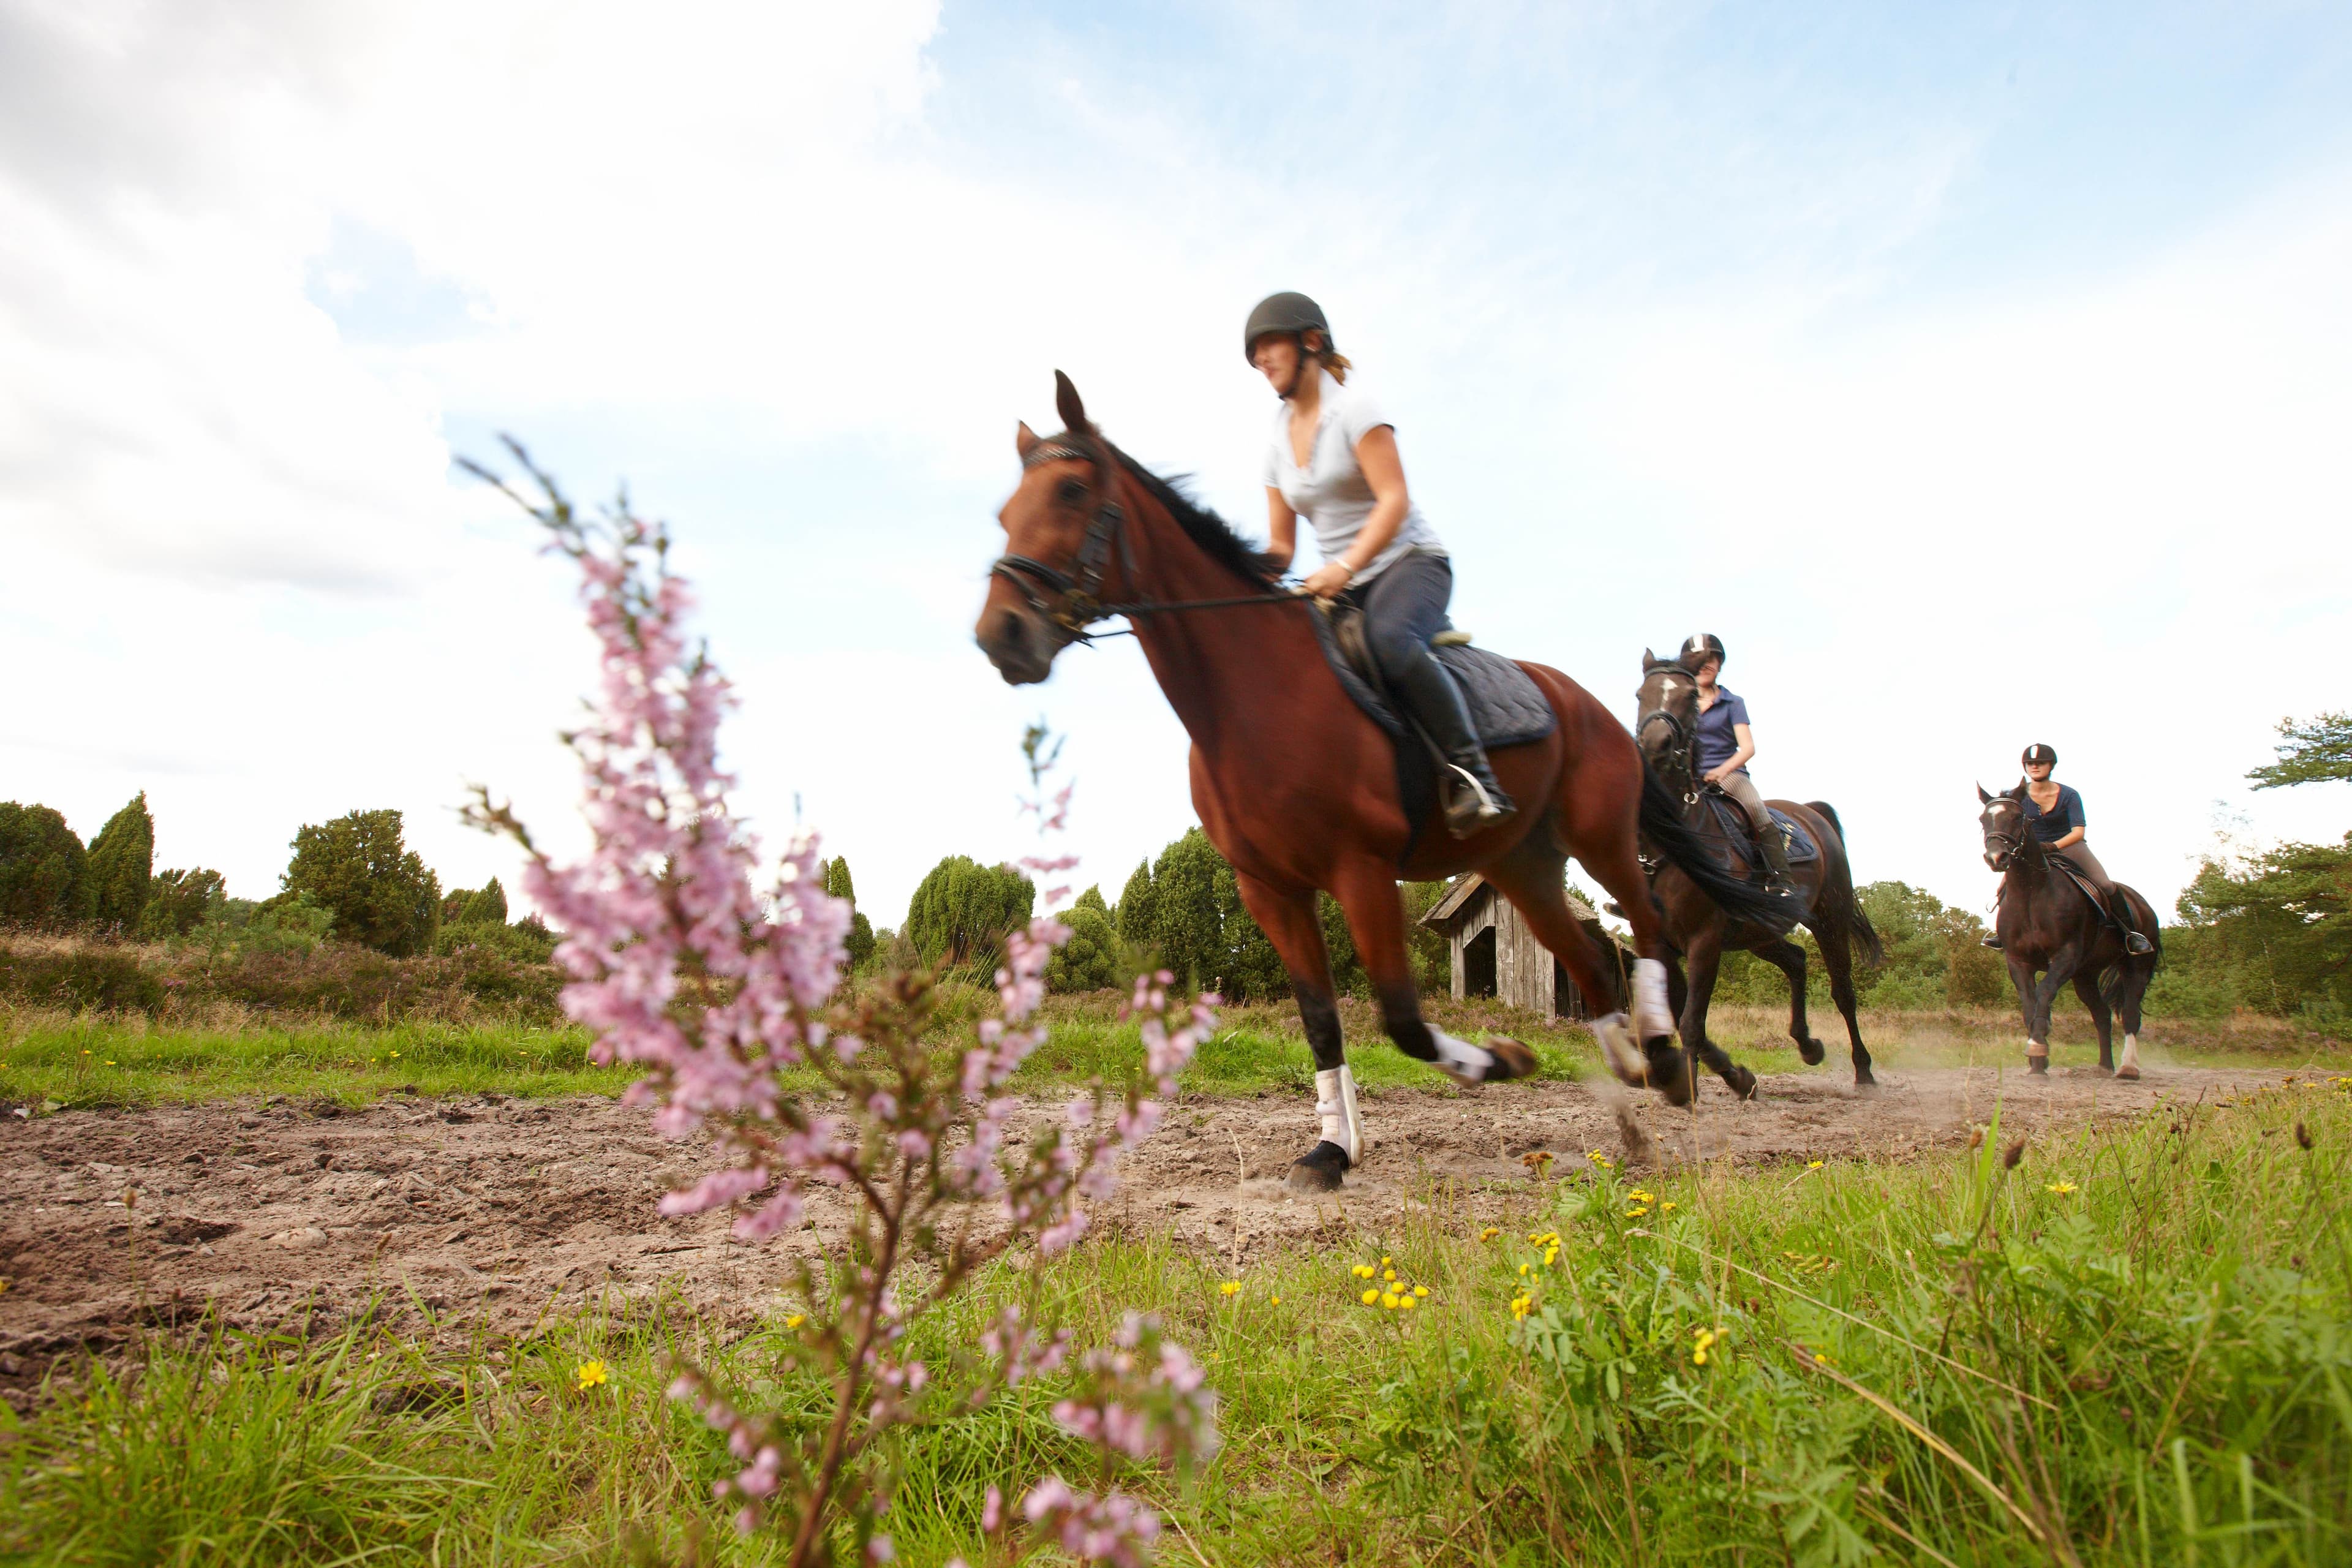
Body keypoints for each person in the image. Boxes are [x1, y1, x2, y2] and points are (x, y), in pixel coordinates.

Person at [1246, 291, 1512, 837]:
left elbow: (1394, 501)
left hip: (1410, 563)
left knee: (1389, 641)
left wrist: (1342, 568)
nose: (1261, 360)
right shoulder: (1274, 442)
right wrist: (1237, 573)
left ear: (1311, 342)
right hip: (1340, 588)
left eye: (1269, 345)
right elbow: (1281, 549)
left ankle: (1473, 774)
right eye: (1255, 354)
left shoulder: (1356, 412)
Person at [1983, 744, 2156, 954]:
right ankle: (2003, 934)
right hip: (2032, 852)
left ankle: (2131, 934)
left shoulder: (2069, 795)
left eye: (2040, 763)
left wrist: (2052, 846)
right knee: (2005, 888)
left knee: (2105, 884)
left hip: (2069, 846)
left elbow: (2078, 832)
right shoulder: (2017, 796)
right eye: (2030, 764)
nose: (2035, 767)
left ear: (2051, 766)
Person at [1682, 633, 1799, 899]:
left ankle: (1782, 879)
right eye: (1698, 660)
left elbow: (1748, 748)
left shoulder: (1733, 703)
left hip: (1728, 775)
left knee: (1757, 810)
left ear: (1719, 664)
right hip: (1687, 778)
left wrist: (1721, 772)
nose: (1705, 665)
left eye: (1711, 659)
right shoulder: (1680, 703)